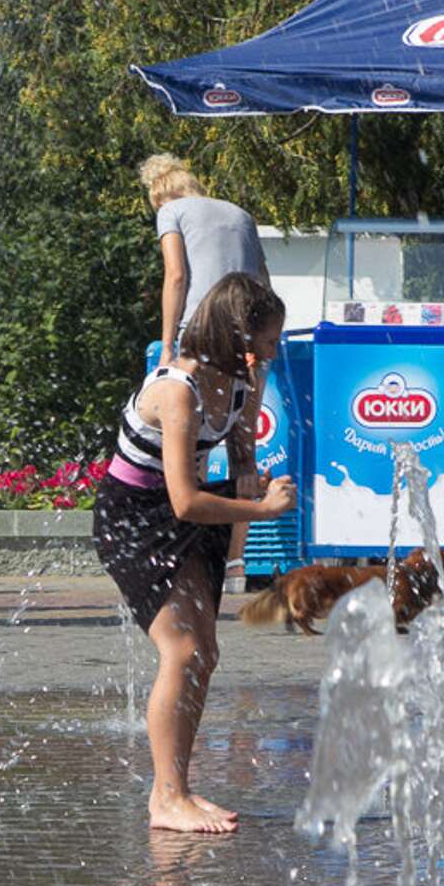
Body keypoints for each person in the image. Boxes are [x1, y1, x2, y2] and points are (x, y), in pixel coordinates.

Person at [95, 272, 296, 833]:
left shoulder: (236, 380)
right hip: (135, 517)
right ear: (239, 336)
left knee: (203, 653)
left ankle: (179, 788)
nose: (274, 351)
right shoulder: (175, 391)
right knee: (180, 653)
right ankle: (165, 798)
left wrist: (247, 503)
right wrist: (261, 512)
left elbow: (240, 447)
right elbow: (184, 501)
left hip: (185, 511)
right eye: (270, 340)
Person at [140, 153, 272, 594]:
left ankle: (182, 550)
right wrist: (261, 348)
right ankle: (235, 562)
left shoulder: (170, 212)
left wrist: (166, 347)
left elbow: (176, 277)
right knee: (243, 445)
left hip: (201, 339)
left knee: (186, 446)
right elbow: (264, 285)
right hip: (252, 338)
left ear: (159, 192)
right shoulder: (241, 214)